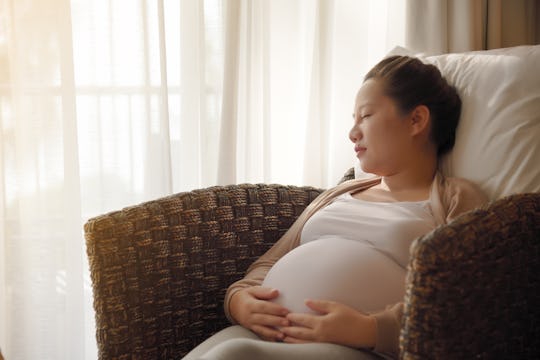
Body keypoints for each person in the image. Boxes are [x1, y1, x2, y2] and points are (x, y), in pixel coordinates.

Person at [182, 55, 488, 360]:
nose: (352, 133)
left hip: (361, 348)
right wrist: (239, 302)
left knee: (233, 355)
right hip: (260, 335)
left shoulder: (455, 198)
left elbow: (462, 298)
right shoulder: (340, 193)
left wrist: (369, 329)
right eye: (353, 119)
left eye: (365, 116)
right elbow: (267, 264)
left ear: (416, 120)